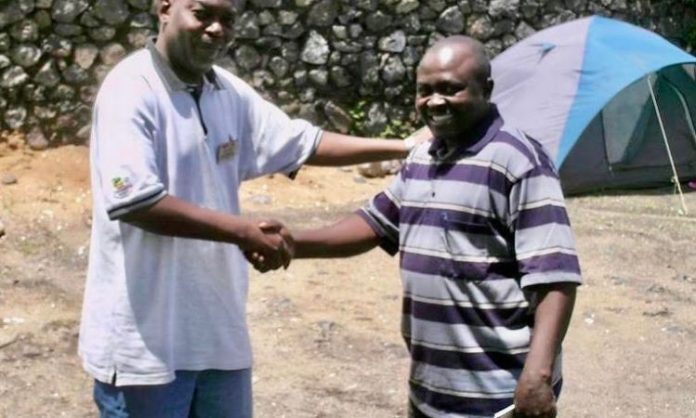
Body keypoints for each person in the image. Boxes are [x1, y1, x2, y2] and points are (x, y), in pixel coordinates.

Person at [79, 0, 426, 416]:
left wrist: (404, 147)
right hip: (145, 346)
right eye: (202, 13)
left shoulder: (225, 89)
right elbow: (135, 201)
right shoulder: (131, 87)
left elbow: (303, 142)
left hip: (216, 336)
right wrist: (240, 230)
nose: (216, 29)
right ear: (164, 8)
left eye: (227, 19)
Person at [264, 35, 582, 418]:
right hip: (432, 388)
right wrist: (293, 241)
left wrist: (538, 374)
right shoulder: (423, 158)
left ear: (487, 90)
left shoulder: (518, 161)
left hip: (498, 394)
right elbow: (371, 224)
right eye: (424, 91)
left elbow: (555, 277)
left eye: (451, 89)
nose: (434, 101)